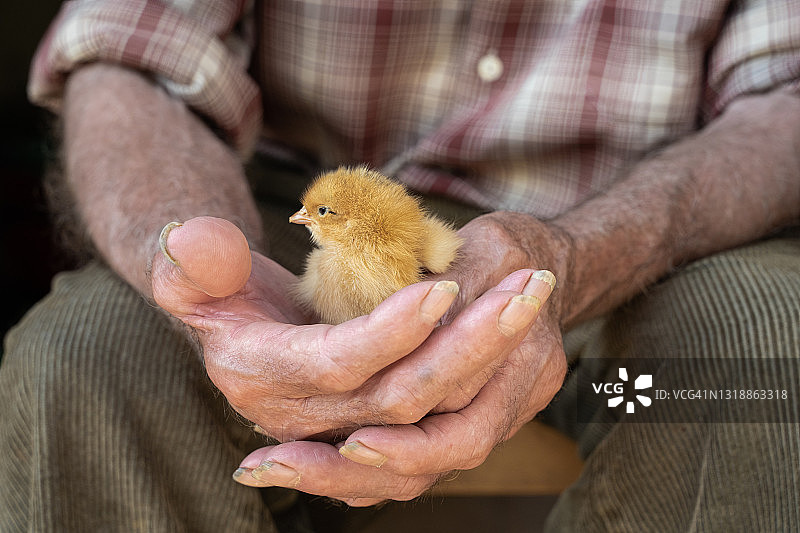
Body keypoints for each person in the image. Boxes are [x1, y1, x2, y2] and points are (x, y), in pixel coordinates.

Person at [2, 1, 799, 531]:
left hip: (635, 239)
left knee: (757, 361)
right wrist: (202, 273)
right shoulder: (321, 235)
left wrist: (572, 256)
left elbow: (785, 98)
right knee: (84, 357)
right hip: (267, 197)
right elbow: (131, 54)